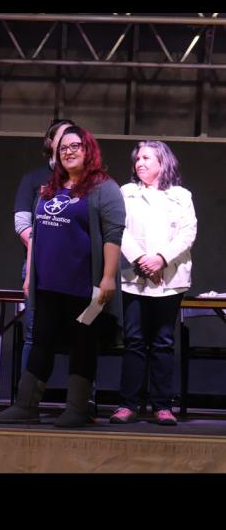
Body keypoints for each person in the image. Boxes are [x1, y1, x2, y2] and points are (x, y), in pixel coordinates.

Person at [0, 125, 125, 428]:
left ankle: (77, 408)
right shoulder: (50, 187)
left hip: (84, 286)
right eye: (63, 148)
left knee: (82, 344)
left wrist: (107, 278)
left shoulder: (104, 188)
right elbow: (36, 234)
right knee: (41, 342)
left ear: (88, 149)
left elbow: (113, 236)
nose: (68, 152)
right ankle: (26, 405)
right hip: (48, 284)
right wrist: (30, 276)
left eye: (75, 146)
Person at [110, 141, 197, 426]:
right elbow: (119, 229)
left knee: (163, 342)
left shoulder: (181, 195)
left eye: (146, 158)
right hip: (135, 278)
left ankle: (162, 406)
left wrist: (161, 259)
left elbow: (187, 233)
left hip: (170, 279)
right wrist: (142, 261)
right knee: (134, 340)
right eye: (137, 159)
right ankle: (128, 404)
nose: (140, 163)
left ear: (163, 162)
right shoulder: (126, 192)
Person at [14, 119, 75, 370]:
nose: (68, 143)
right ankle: (29, 392)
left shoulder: (84, 180)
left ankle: (81, 393)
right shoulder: (34, 179)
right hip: (38, 265)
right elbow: (21, 223)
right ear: (51, 143)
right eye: (63, 137)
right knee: (35, 334)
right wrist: (45, 246)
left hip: (75, 268)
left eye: (74, 138)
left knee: (79, 335)